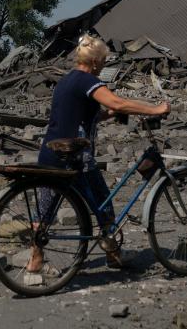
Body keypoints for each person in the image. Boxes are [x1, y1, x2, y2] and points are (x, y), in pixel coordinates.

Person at [29, 34, 170, 272]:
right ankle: (113, 254)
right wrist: (155, 109)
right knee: (103, 206)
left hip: (51, 153)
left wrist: (108, 115)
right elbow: (118, 102)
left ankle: (35, 258)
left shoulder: (67, 81)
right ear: (94, 61)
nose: (105, 64)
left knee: (45, 210)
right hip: (76, 158)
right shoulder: (87, 81)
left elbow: (81, 115)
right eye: (103, 60)